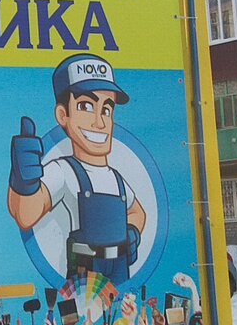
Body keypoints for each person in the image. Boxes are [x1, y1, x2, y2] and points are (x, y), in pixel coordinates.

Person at [8, 54, 147, 284]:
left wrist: (132, 232)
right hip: (85, 268)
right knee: (85, 308)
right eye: (86, 106)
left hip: (119, 269)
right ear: (63, 115)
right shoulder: (63, 171)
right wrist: (24, 183)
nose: (99, 122)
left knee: (124, 307)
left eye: (106, 110)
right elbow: (26, 214)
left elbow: (137, 212)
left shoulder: (117, 179)